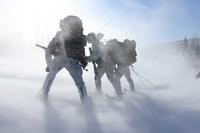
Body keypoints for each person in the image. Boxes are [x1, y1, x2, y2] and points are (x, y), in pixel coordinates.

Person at [41, 15, 88, 102]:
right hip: (75, 61)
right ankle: (85, 102)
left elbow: (49, 50)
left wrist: (49, 64)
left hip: (60, 59)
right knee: (80, 83)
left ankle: (43, 96)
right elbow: (81, 52)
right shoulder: (81, 37)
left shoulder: (59, 34)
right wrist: (83, 61)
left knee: (50, 77)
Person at [87, 33, 123, 97]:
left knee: (97, 78)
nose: (88, 40)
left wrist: (88, 58)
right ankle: (119, 93)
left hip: (104, 63)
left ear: (91, 37)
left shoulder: (96, 44)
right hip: (108, 63)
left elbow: (96, 54)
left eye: (88, 38)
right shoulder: (97, 43)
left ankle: (98, 93)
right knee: (111, 78)